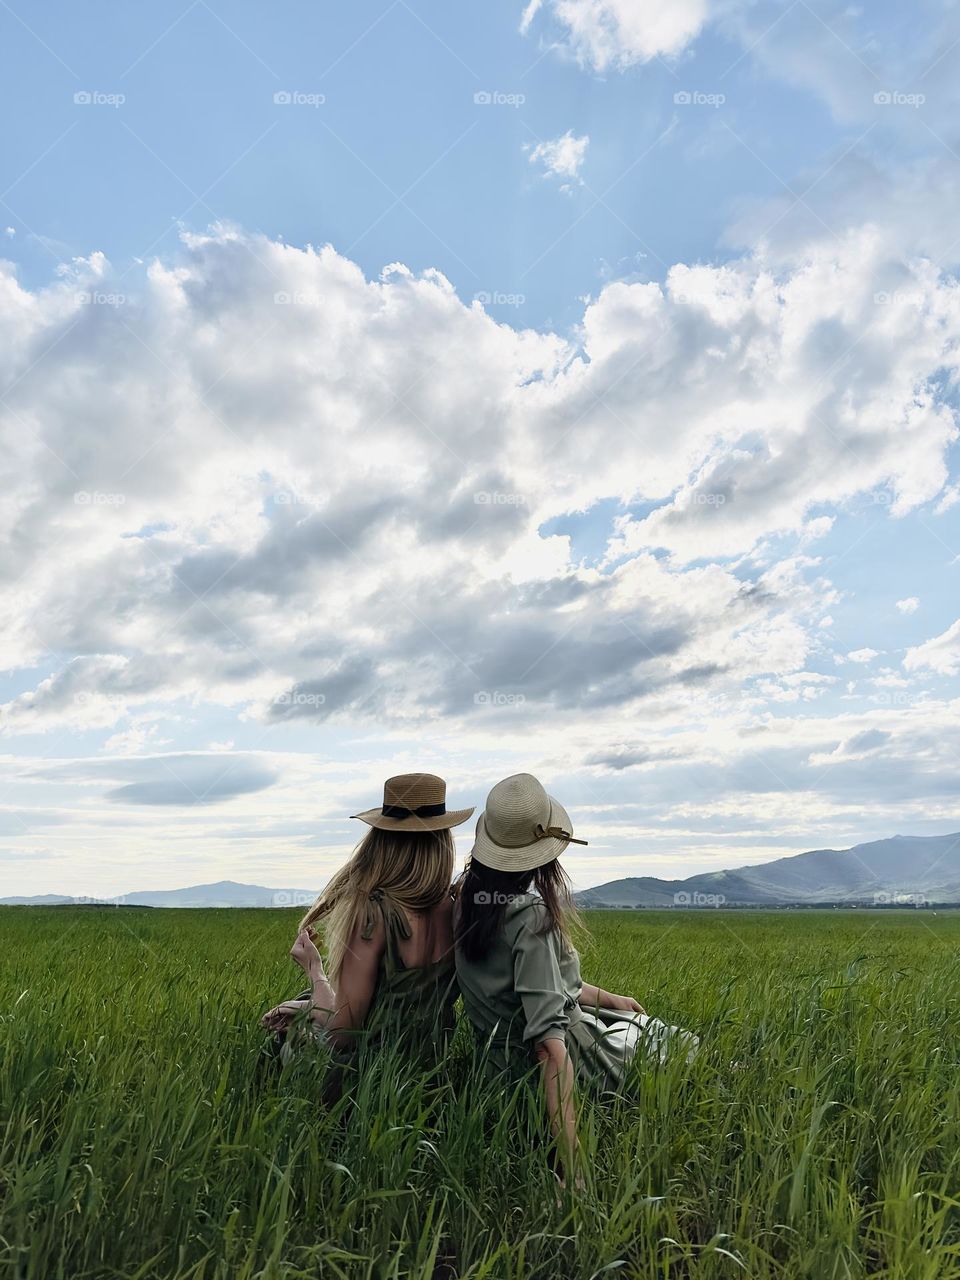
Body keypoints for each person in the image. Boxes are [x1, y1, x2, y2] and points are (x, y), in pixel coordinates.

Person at [453, 773, 699, 1181]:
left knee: (637, 1020)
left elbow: (535, 987)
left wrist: (610, 999)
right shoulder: (531, 918)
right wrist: (572, 1165)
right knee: (677, 1044)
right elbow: (549, 1048)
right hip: (562, 1063)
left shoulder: (466, 902)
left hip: (494, 1073)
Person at [261, 772, 473, 1066]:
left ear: (381, 841)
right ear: (442, 841)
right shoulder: (458, 907)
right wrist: (306, 1005)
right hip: (431, 1080)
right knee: (303, 1000)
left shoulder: (374, 914)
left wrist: (314, 971)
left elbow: (344, 1035)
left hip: (364, 1083)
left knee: (279, 1043)